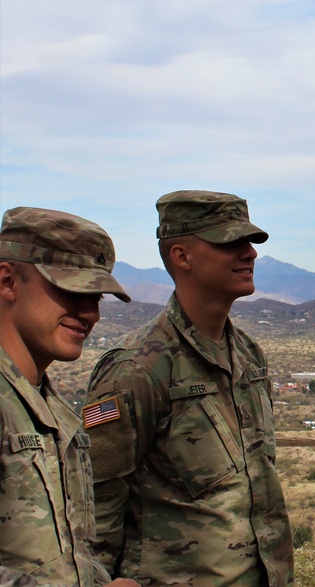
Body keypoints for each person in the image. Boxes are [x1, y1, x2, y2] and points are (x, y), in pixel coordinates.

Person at [83, 191, 294, 586]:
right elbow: (96, 508)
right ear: (182, 256)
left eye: (248, 243)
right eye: (230, 243)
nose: (249, 254)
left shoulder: (249, 357)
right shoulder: (137, 369)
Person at [0, 206, 138, 587]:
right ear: (7, 281)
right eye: (71, 290)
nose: (90, 313)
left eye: (98, 298)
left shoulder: (53, 411)